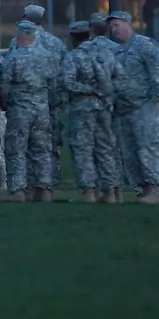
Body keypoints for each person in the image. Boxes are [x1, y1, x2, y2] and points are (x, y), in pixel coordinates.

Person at [107, 11, 159, 205]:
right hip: (123, 109)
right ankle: (141, 190)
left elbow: (158, 74)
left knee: (146, 148)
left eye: (116, 25)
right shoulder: (113, 50)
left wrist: (154, 100)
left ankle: (153, 189)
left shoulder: (145, 45)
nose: (113, 29)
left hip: (145, 108)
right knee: (128, 151)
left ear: (128, 24)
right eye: (111, 26)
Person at [61, 20, 121, 204]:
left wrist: (88, 89)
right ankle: (110, 192)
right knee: (105, 149)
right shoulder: (105, 54)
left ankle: (89, 192)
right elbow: (120, 77)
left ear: (74, 38)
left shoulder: (74, 56)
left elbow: (68, 83)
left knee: (82, 148)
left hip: (82, 108)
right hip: (104, 107)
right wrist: (106, 93)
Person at [0, 21, 57, 202]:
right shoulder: (47, 57)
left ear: (19, 35)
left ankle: (18, 190)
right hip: (42, 109)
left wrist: (6, 103)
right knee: (42, 150)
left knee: (17, 150)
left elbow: (4, 87)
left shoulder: (13, 58)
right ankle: (44, 189)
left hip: (19, 109)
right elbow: (54, 85)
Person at [12, 4, 66, 191]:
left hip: (23, 102)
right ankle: (50, 184)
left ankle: (28, 185)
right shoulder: (56, 43)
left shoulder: (18, 40)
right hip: (50, 101)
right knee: (48, 144)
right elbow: (63, 72)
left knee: (23, 145)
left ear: (26, 17)